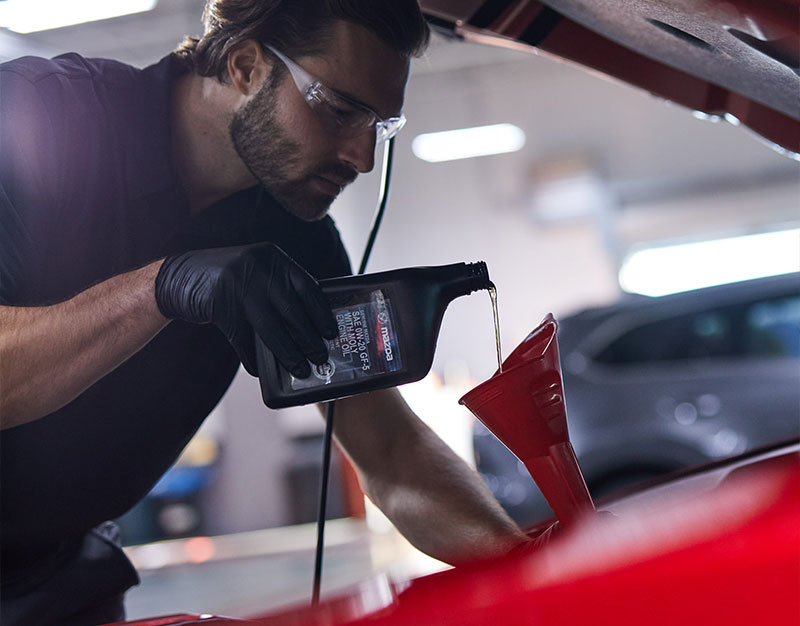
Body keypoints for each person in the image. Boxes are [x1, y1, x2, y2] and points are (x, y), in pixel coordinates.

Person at [0, 1, 531, 623]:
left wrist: (529, 562)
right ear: (246, 65)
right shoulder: (37, 119)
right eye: (339, 110)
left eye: (380, 127)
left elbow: (392, 453)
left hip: (58, 578)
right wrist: (163, 288)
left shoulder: (294, 241)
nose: (362, 157)